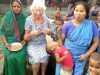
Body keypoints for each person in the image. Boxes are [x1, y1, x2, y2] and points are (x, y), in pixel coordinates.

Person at [61, 1, 99, 75]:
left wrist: (86, 55)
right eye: (76, 10)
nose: (78, 13)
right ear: (73, 11)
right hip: (67, 56)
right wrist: (64, 53)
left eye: (81, 11)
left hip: (82, 57)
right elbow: (60, 42)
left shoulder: (91, 25)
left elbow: (96, 42)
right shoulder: (67, 25)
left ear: (86, 13)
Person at [0, 0, 27, 75]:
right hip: (8, 42)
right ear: (11, 7)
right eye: (14, 6)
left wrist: (24, 41)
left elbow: (27, 33)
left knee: (21, 57)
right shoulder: (7, 16)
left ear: (21, 7)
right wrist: (6, 43)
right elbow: (2, 32)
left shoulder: (24, 18)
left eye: (18, 6)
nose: (16, 8)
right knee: (10, 58)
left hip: (20, 42)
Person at [24, 0, 50, 75]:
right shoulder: (28, 20)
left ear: (43, 10)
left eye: (40, 10)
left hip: (42, 44)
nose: (38, 13)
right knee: (36, 61)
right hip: (32, 44)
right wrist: (31, 34)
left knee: (44, 58)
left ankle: (43, 73)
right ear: (32, 10)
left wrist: (48, 31)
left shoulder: (46, 19)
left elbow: (51, 31)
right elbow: (25, 38)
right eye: (36, 10)